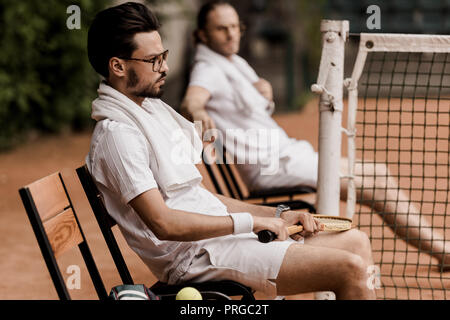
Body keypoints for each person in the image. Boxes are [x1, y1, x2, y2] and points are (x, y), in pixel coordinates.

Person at [85, 2, 376, 300]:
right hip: (195, 258)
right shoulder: (118, 137)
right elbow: (164, 223)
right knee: (351, 269)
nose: (166, 68)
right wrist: (251, 223)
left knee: (356, 243)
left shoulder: (149, 113)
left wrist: (277, 214)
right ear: (118, 66)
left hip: (217, 240)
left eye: (164, 56)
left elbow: (203, 200)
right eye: (153, 60)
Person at [180, 0, 450, 269]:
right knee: (378, 182)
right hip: (274, 168)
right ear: (202, 34)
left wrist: (261, 92)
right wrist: (198, 112)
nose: (231, 34)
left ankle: (439, 250)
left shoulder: (231, 62)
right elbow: (191, 99)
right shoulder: (208, 68)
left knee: (379, 174)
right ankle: (441, 251)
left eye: (235, 26)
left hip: (286, 157)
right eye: (220, 28)